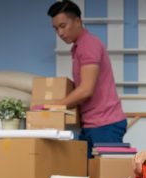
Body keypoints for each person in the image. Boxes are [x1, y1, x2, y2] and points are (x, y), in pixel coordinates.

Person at [47, 0, 127, 155]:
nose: (60, 33)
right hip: (92, 123)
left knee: (106, 176)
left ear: (78, 21)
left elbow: (86, 90)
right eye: (56, 29)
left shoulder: (88, 45)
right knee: (88, 174)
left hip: (105, 123)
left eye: (63, 26)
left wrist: (57, 106)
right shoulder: (78, 48)